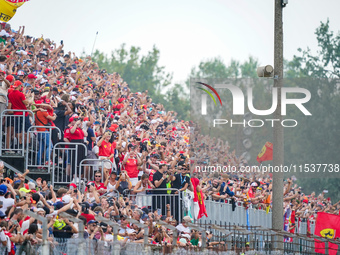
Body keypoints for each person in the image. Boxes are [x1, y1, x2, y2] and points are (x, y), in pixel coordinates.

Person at [34, 101, 56, 165]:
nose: (45, 106)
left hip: (39, 132)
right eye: (43, 105)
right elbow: (52, 119)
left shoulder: (36, 112)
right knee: (50, 146)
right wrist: (55, 116)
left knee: (41, 148)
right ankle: (47, 160)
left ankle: (39, 164)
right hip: (44, 131)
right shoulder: (43, 112)